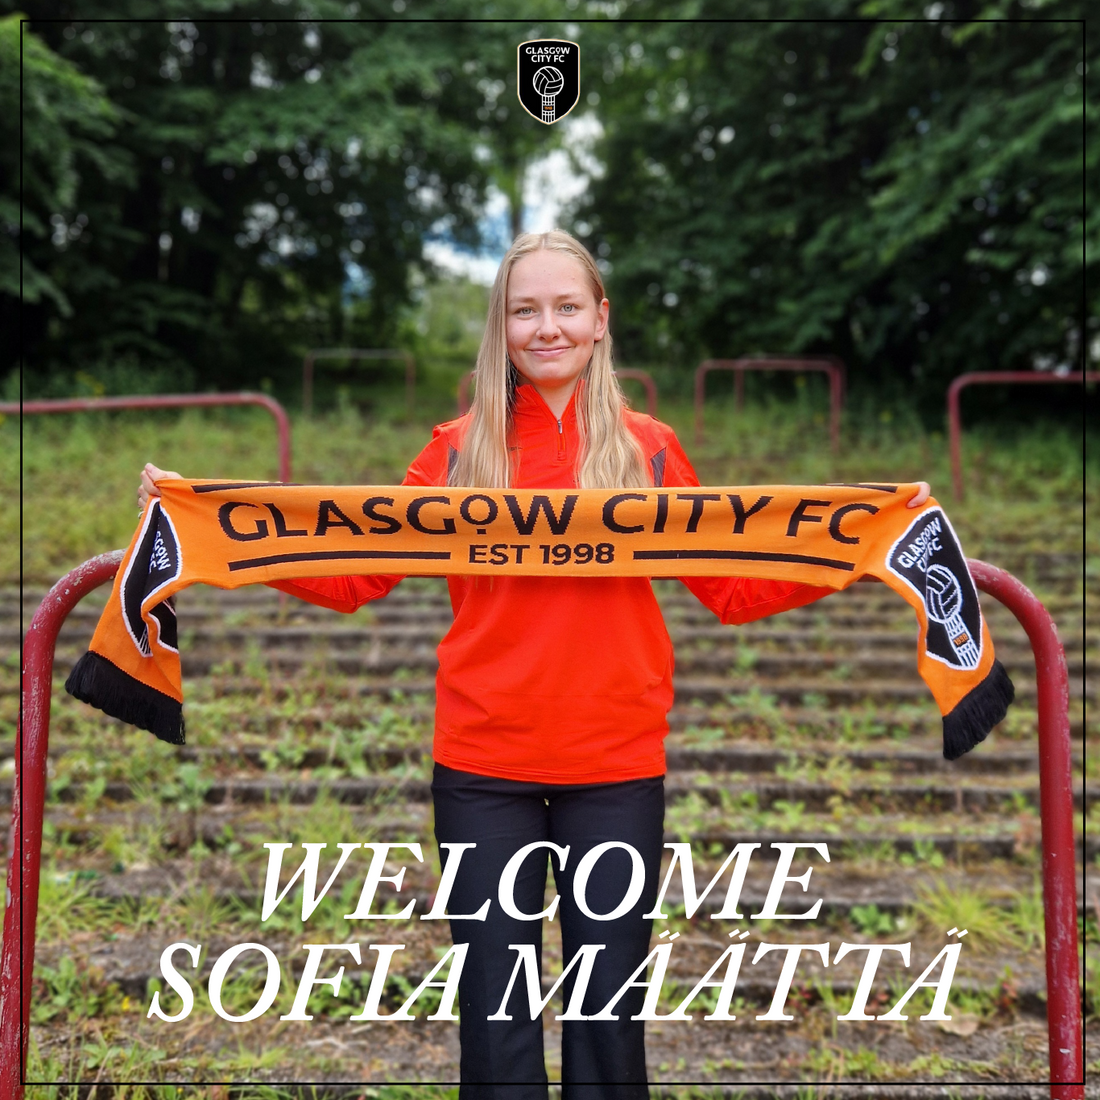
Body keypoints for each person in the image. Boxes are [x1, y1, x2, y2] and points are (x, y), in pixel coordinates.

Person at [139, 230, 929, 1099]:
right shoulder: (455, 450)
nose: (545, 327)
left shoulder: (648, 449)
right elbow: (355, 568)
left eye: (565, 307)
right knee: (495, 1007)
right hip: (482, 765)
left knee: (606, 1010)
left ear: (600, 320)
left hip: (615, 764)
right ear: (502, 325)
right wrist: (200, 516)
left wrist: (868, 539)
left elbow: (733, 586)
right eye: (525, 309)